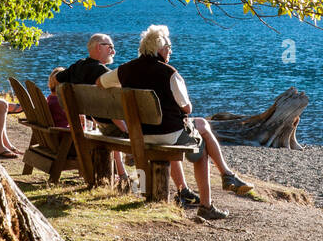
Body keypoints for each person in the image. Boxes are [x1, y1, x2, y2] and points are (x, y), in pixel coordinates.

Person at [96, 24, 254, 220]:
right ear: (160, 49)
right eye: (169, 47)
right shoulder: (169, 73)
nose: (170, 50)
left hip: (140, 134)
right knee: (202, 137)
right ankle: (211, 197)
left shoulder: (125, 70)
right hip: (168, 134)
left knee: (198, 130)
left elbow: (100, 82)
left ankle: (195, 187)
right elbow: (187, 108)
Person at [55, 35, 130, 182]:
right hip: (111, 127)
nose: (113, 52)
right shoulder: (103, 73)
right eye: (110, 47)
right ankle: (131, 178)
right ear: (98, 47)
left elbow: (55, 79)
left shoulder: (78, 66)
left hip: (98, 123)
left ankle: (122, 174)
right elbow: (114, 110)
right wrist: (127, 131)